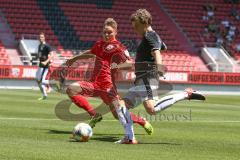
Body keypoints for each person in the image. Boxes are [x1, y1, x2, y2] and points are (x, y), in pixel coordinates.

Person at [113, 9, 206, 144]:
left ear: (144, 23)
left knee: (151, 109)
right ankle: (129, 137)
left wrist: (159, 67)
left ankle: (186, 94)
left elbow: (158, 52)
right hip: (141, 79)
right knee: (120, 104)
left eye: (136, 26)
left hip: (147, 77)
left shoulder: (150, 36)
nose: (135, 29)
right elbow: (163, 47)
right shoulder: (151, 36)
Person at [65, 18, 153, 140]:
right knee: (70, 89)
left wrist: (117, 65)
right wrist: (75, 58)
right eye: (105, 32)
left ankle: (141, 121)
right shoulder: (99, 44)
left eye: (109, 32)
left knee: (118, 115)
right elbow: (90, 52)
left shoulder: (119, 47)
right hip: (94, 84)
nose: (106, 34)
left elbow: (129, 63)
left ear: (116, 32)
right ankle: (94, 115)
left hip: (108, 86)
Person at [36, 32, 53, 100]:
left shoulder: (47, 46)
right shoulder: (39, 46)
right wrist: (34, 58)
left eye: (42, 37)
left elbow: (51, 55)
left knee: (41, 80)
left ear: (44, 38)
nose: (41, 38)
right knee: (38, 80)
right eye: (40, 37)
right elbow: (40, 55)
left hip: (45, 66)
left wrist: (46, 62)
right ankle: (44, 95)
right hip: (40, 65)